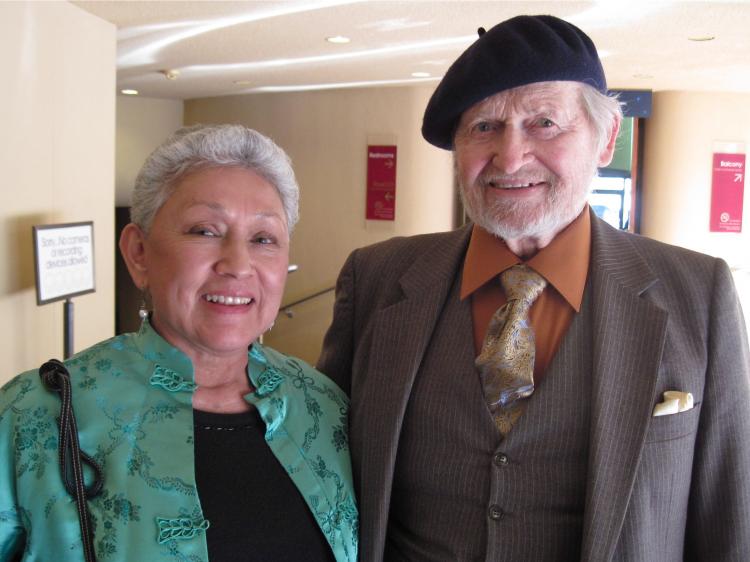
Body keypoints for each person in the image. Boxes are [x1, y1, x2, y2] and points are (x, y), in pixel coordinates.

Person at [318, 15, 750, 562]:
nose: (511, 156)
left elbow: (728, 519)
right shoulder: (377, 280)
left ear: (605, 138)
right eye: (483, 127)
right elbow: (318, 475)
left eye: (544, 123)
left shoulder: (698, 293)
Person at [0, 124, 358, 562]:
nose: (238, 264)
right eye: (204, 231)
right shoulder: (37, 416)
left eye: (263, 239)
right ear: (138, 252)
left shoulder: (324, 409)